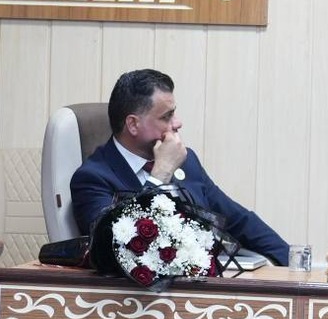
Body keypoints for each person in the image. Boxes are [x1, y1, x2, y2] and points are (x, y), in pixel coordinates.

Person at [70, 68, 289, 267]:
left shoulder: (186, 161)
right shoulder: (93, 179)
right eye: (166, 116)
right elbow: (116, 248)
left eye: (173, 113)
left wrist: (295, 265)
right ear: (133, 124)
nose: (177, 123)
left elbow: (239, 221)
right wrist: (160, 175)